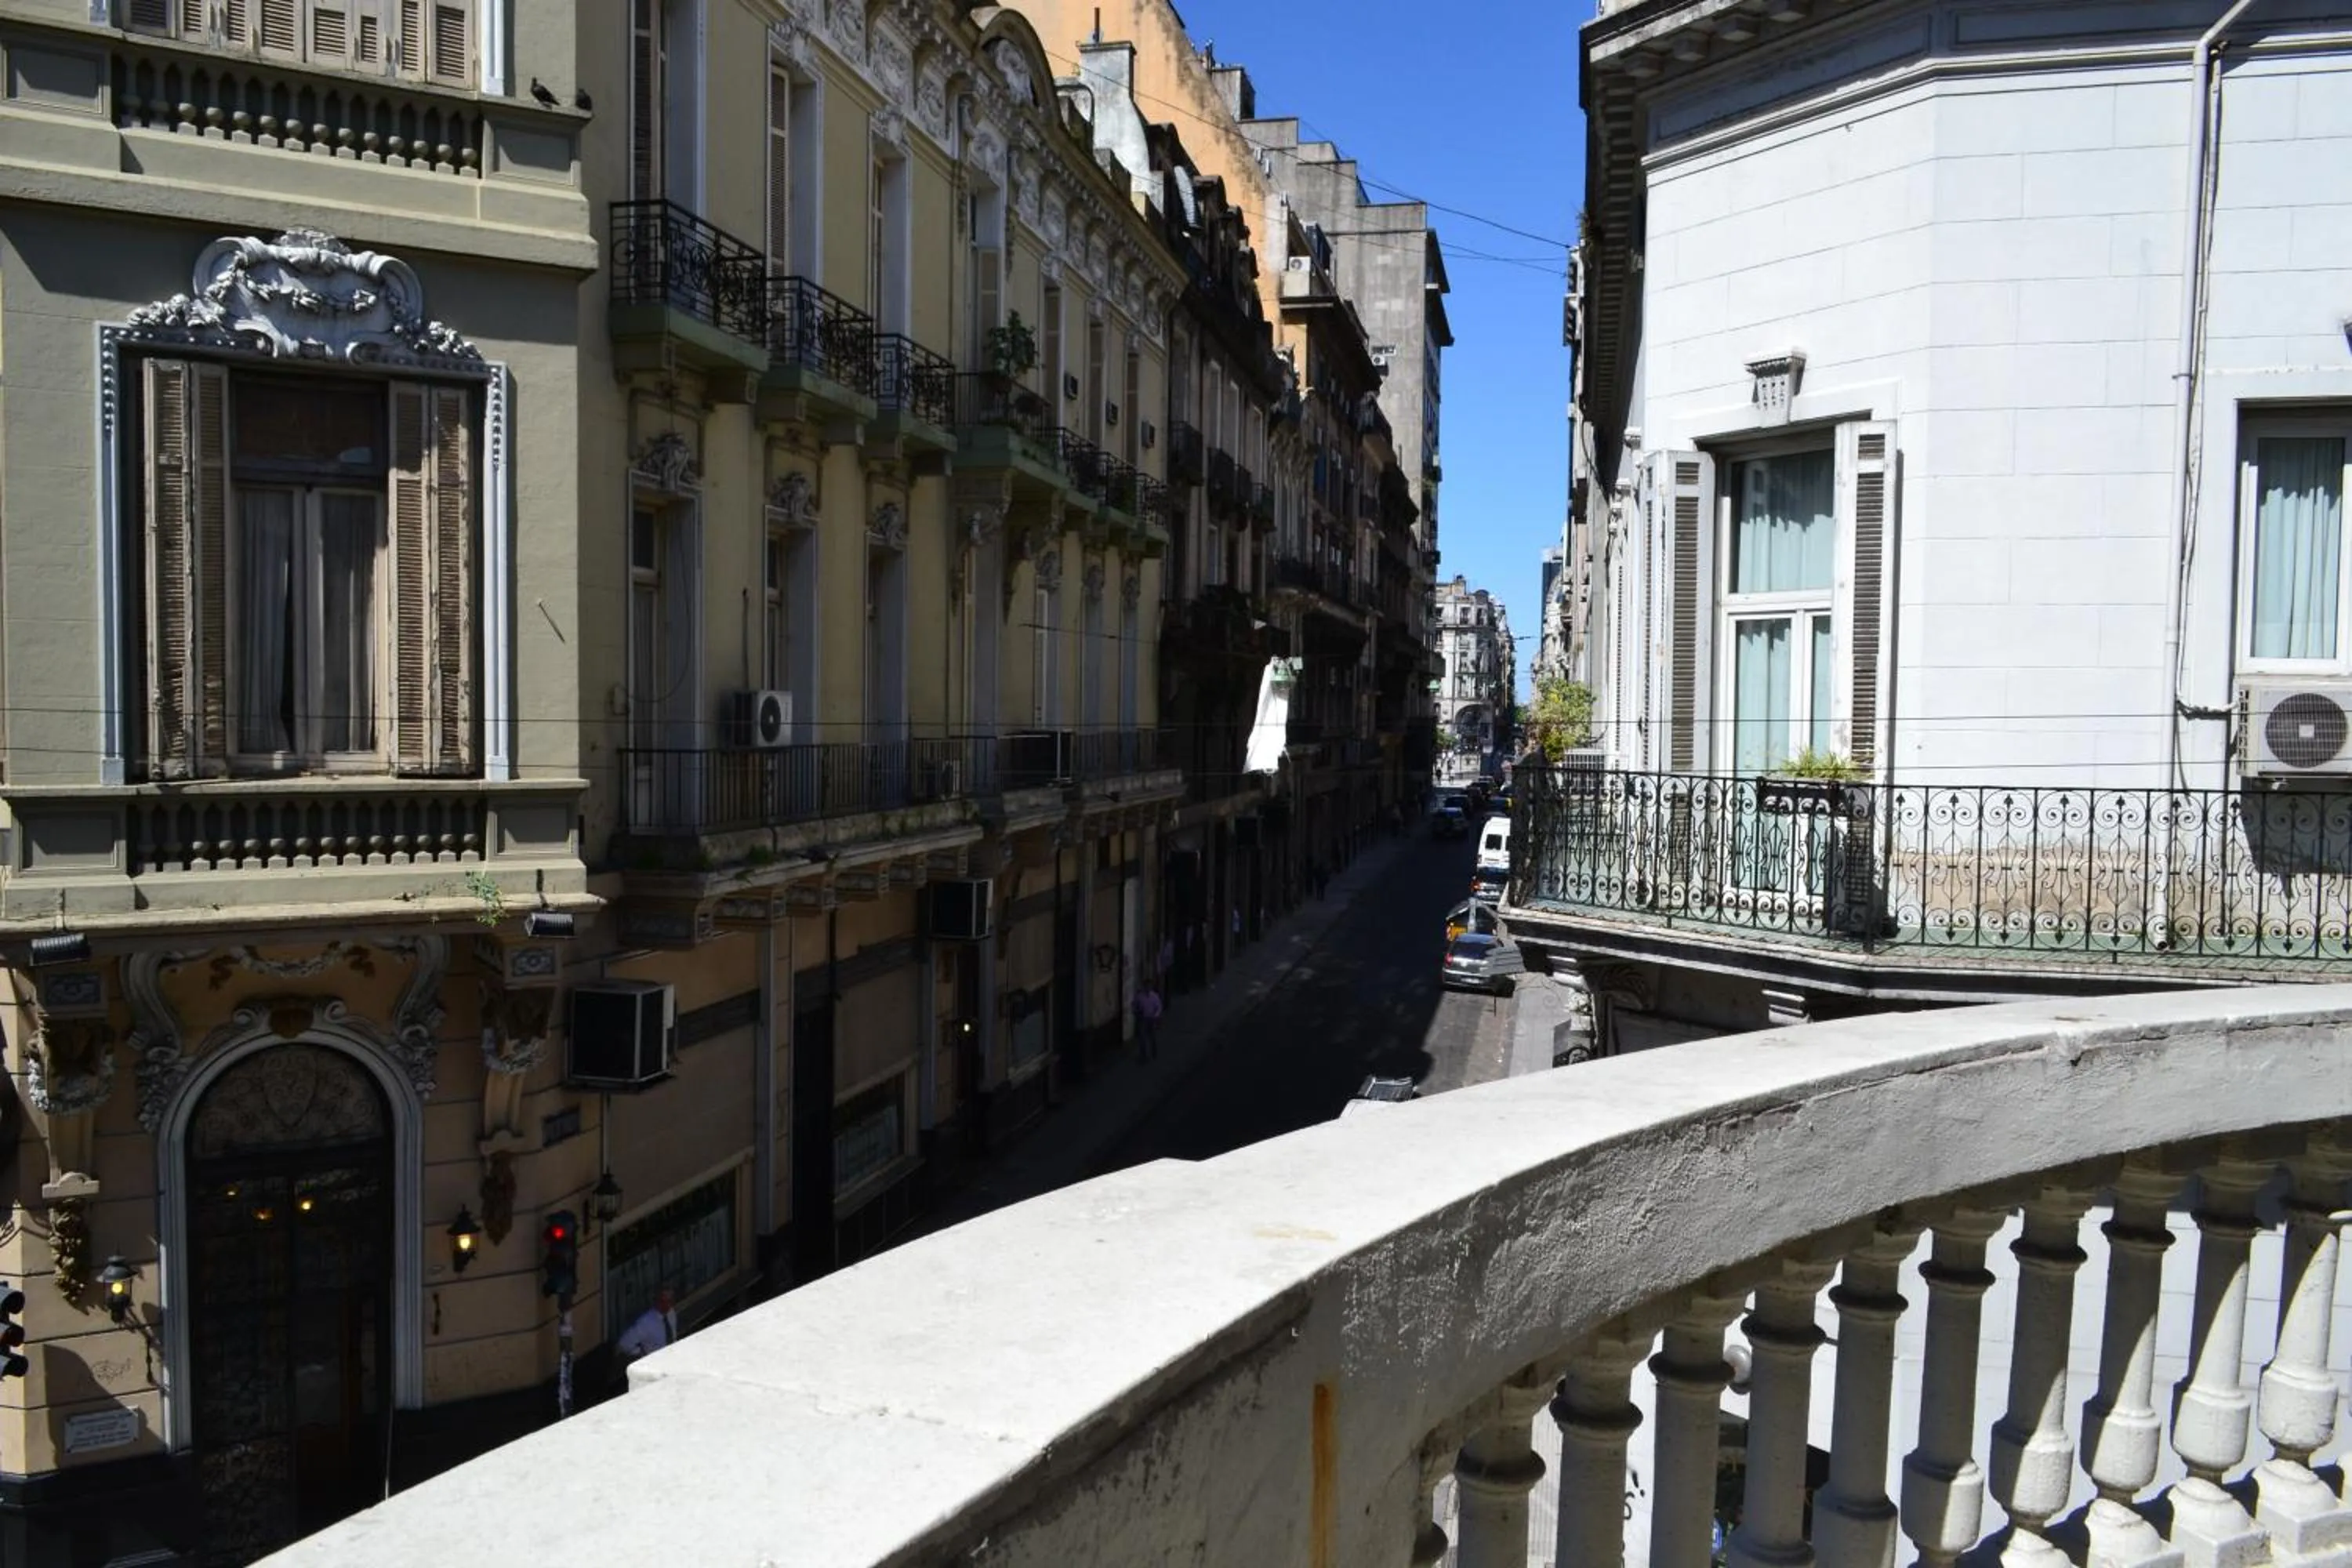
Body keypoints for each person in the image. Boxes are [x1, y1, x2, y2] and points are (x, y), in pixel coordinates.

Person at [615, 1287, 678, 1382]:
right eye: (663, 1301)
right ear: (657, 1301)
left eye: (670, 1301)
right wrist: (639, 1352)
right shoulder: (645, 1322)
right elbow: (624, 1343)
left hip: (672, 1363)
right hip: (655, 1368)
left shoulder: (671, 1313)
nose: (667, 1305)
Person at [1134, 982, 1163, 1061]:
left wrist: (1156, 1016)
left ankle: (1154, 1052)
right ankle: (1143, 1055)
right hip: (1143, 1018)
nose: (1147, 988)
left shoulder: (1154, 996)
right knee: (1142, 1038)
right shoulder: (1140, 996)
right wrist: (1137, 1012)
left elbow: (1159, 1007)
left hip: (1152, 1018)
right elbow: (1135, 1005)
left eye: (1149, 987)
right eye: (1146, 987)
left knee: (1152, 1037)